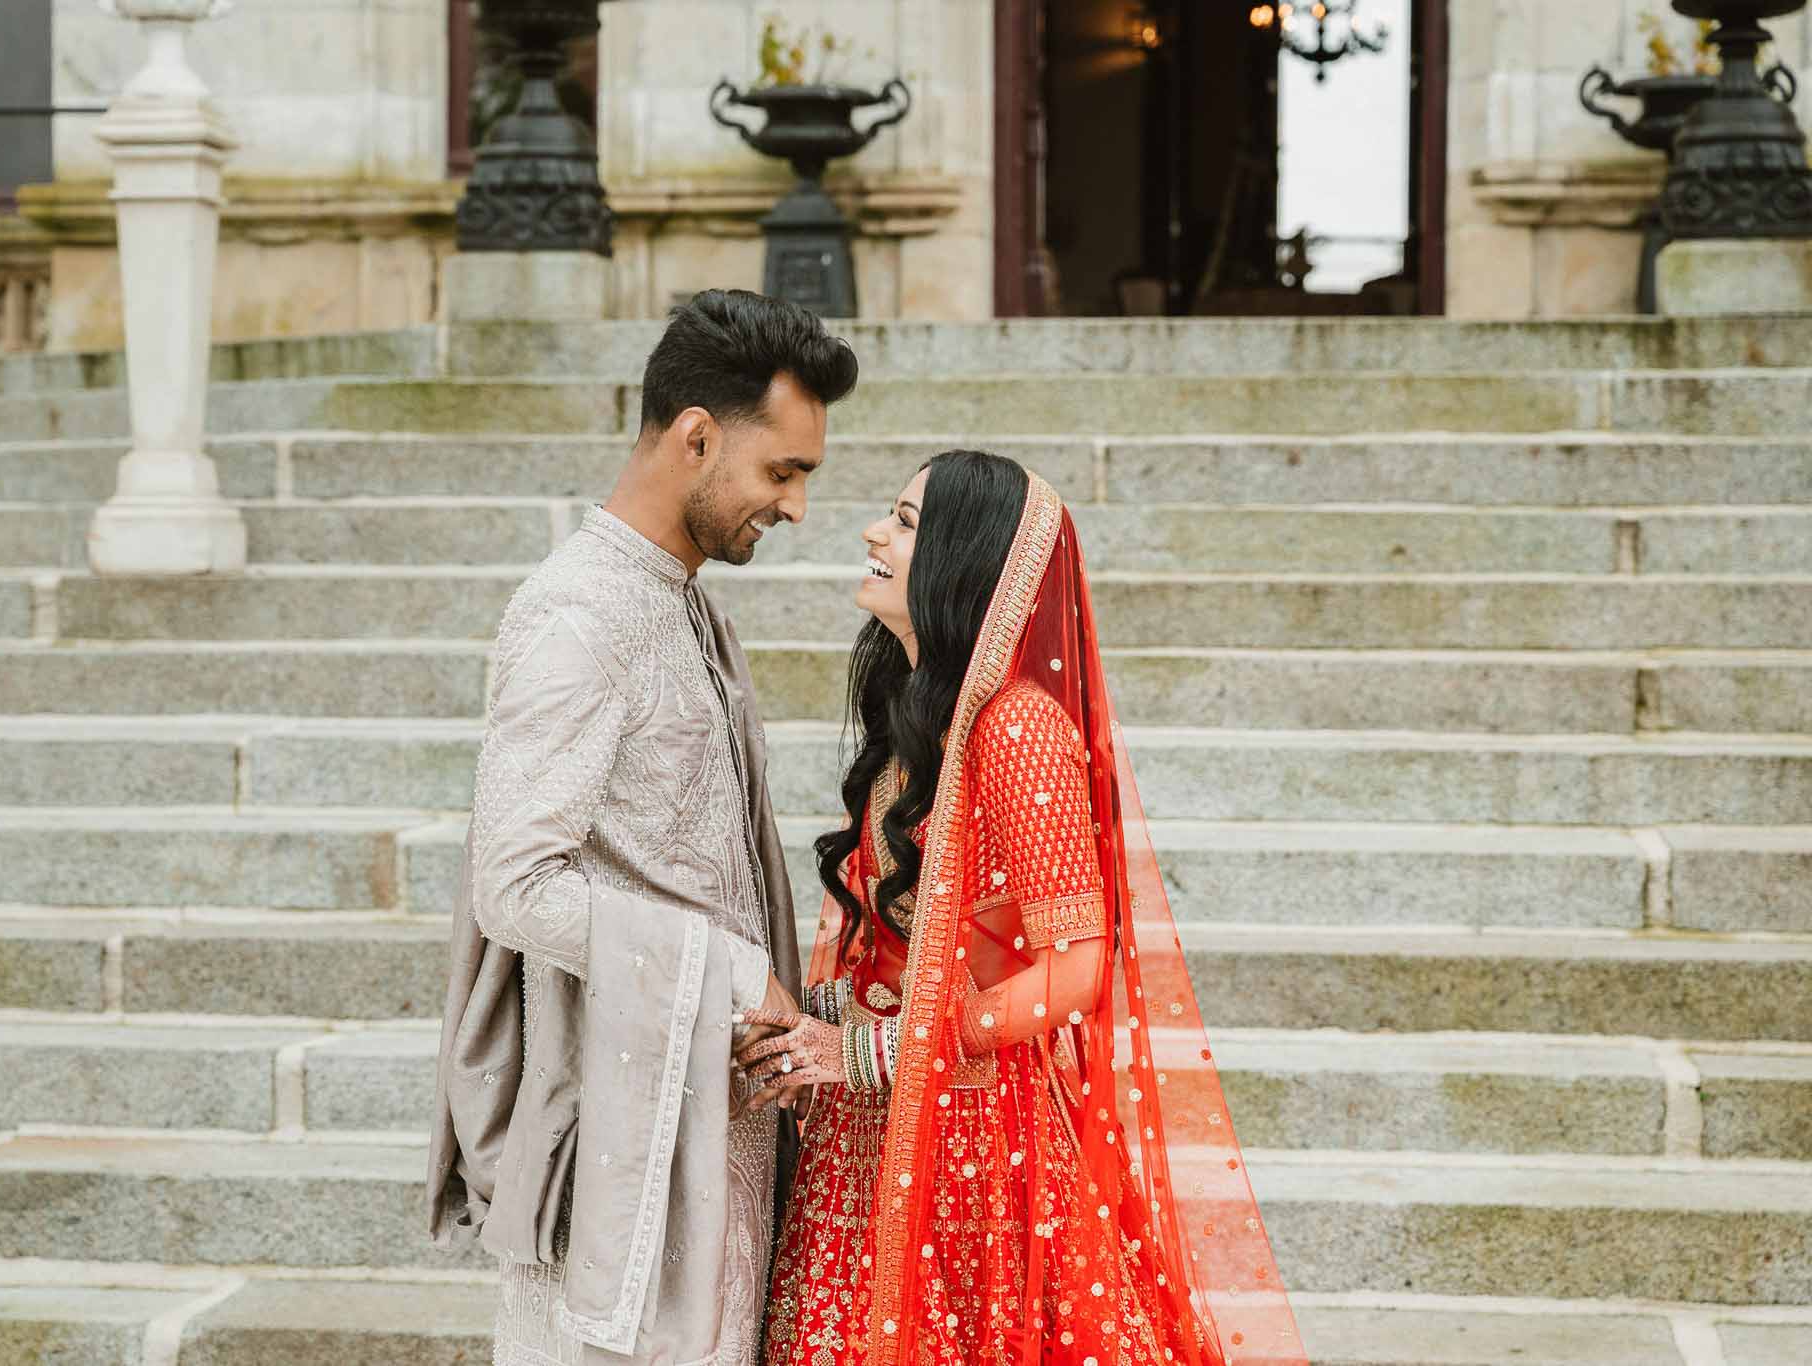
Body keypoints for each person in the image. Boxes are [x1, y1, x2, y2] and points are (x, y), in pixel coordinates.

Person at [738, 451, 1307, 1366]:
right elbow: (903, 945)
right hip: (874, 1117)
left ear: (964, 558)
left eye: (907, 520)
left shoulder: (1019, 728)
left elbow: (1076, 970)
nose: (874, 533)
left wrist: (881, 1050)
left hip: (973, 1137)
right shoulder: (921, 720)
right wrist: (825, 1018)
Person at [424, 289, 858, 1366]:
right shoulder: (576, 614)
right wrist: (724, 968)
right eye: (781, 471)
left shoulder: (682, 599)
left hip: (709, 1123)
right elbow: (514, 885)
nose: (796, 506)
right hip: (623, 1136)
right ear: (695, 436)